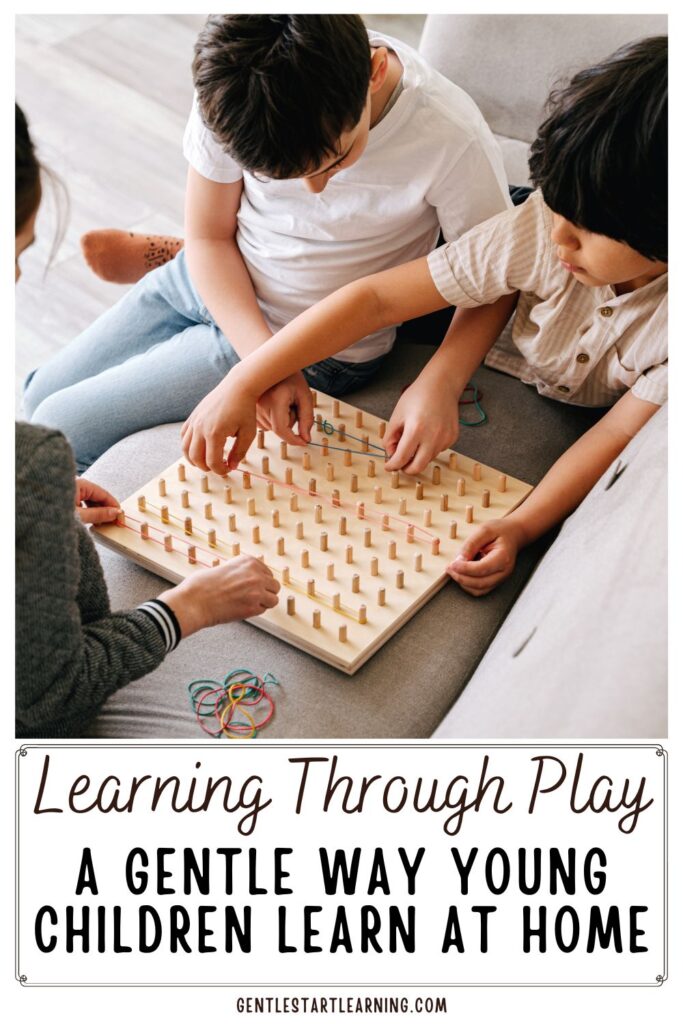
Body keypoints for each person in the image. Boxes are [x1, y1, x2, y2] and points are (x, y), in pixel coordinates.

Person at [181, 36, 667, 598]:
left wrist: (521, 524)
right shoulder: (540, 226)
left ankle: (181, 250)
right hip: (490, 288)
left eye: (583, 230)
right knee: (481, 241)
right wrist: (248, 378)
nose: (559, 234)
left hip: (513, 310)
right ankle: (187, 250)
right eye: (555, 205)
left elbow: (616, 431)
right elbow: (376, 299)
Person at [22, 13, 510, 472]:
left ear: (375, 71)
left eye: (336, 161)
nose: (315, 191)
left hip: (315, 347)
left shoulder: (449, 137)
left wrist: (441, 380)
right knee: (37, 393)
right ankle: (170, 254)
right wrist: (261, 366)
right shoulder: (234, 90)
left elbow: (498, 278)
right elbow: (211, 236)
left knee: (58, 430)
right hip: (204, 275)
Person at [15, 105, 280, 738]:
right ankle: (182, 257)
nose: (18, 273)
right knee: (52, 409)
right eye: (16, 249)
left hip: (257, 299)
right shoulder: (29, 464)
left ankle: (179, 256)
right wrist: (190, 606)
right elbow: (50, 698)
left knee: (42, 396)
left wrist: (33, 507)